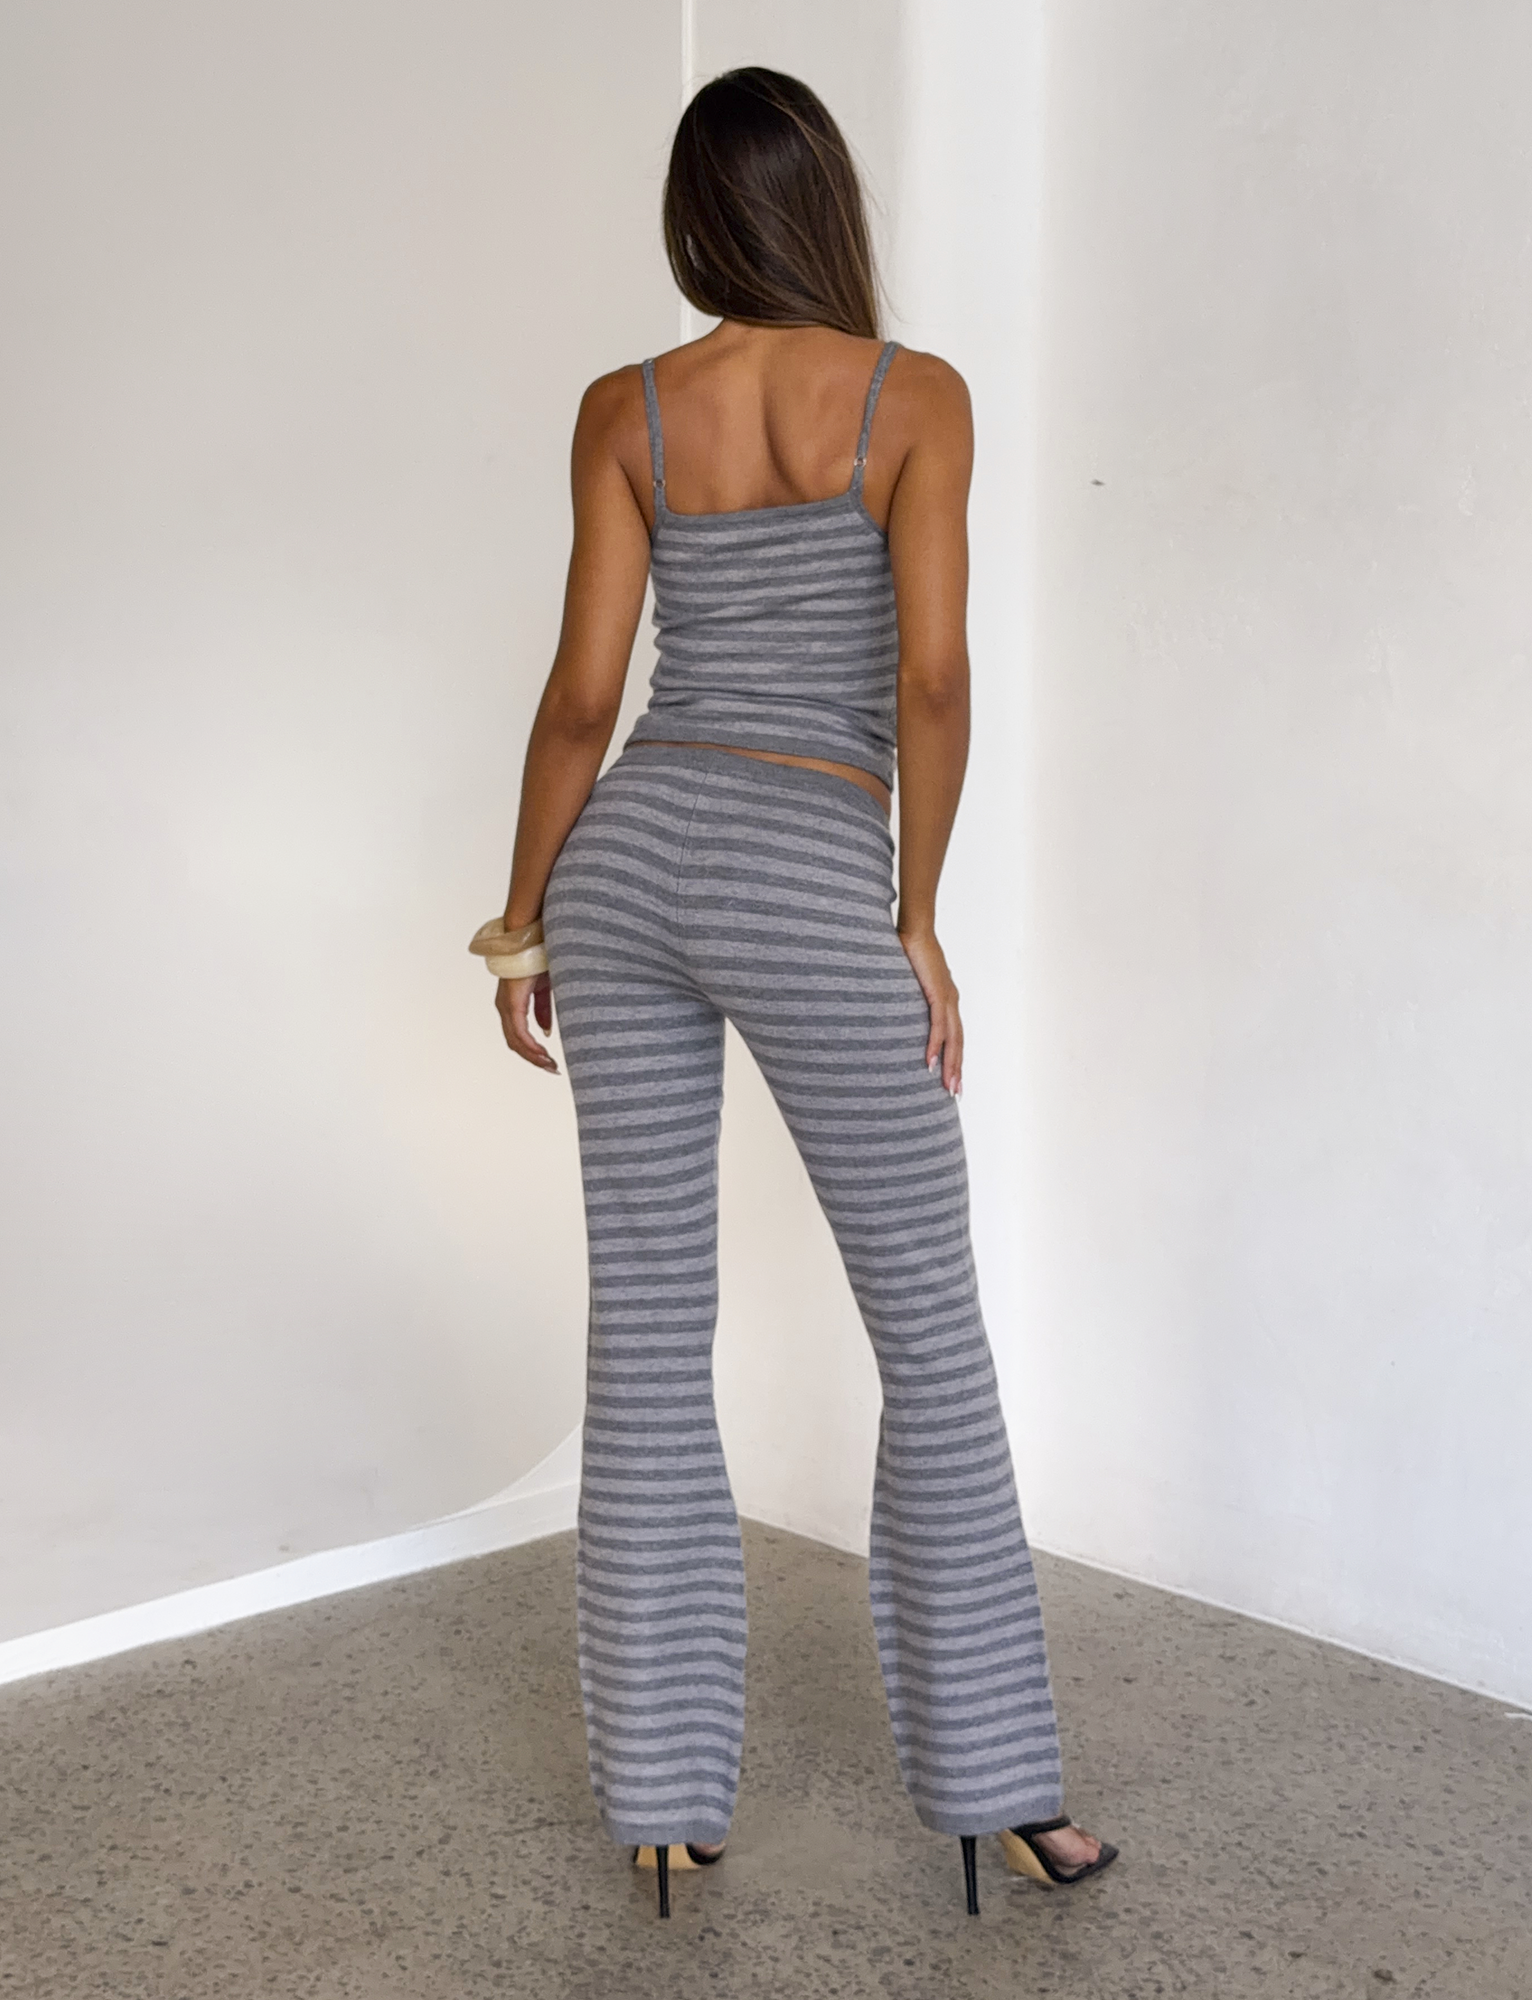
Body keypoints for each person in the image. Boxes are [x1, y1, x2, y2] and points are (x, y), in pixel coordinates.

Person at [473, 66, 1118, 1921]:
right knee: (931, 1331)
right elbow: (931, 680)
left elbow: (583, 700)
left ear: (695, 222)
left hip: (631, 860)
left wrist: (523, 919)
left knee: (649, 1332)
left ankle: (664, 1808)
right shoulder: (913, 403)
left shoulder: (631, 411)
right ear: (827, 202)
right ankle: (1001, 1794)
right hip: (804, 853)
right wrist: (911, 914)